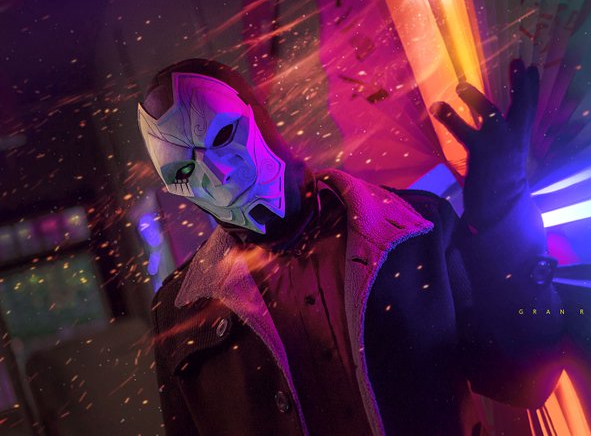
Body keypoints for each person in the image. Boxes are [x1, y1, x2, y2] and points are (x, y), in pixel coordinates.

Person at [140, 58, 564, 436]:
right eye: (184, 171)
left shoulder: (418, 229)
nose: (218, 173)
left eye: (223, 134)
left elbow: (524, 379)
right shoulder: (181, 313)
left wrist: (504, 211)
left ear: (258, 114)